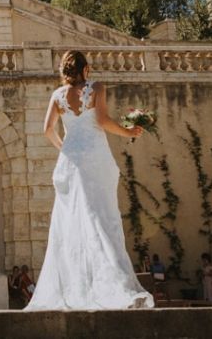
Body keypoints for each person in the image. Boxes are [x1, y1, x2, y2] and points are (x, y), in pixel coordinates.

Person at [25, 50, 154, 310]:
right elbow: (102, 120)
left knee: (73, 225)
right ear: (85, 69)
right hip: (95, 159)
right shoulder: (96, 87)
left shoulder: (57, 96)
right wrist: (128, 131)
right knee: (101, 218)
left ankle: (79, 289)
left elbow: (47, 129)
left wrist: (65, 148)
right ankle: (116, 287)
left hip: (71, 161)